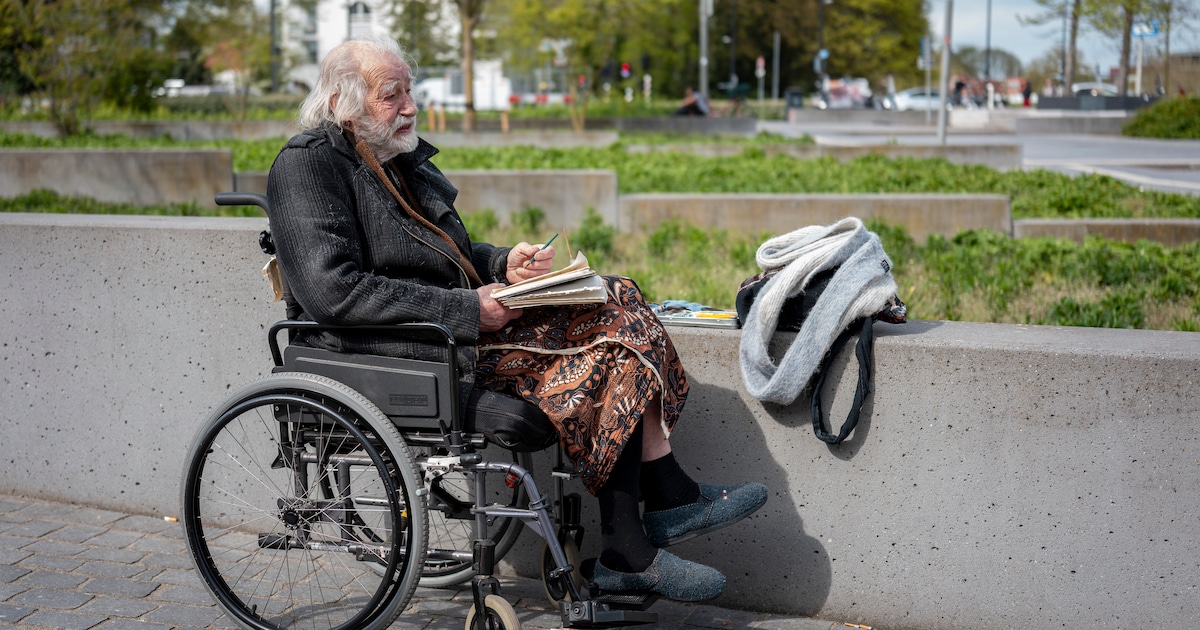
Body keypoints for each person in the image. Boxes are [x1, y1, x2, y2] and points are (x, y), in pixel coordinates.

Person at [266, 35, 767, 603]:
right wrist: (468, 310)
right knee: (611, 344)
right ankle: (639, 533)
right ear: (342, 103)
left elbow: (440, 252)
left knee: (616, 293)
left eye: (410, 91)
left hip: (444, 329)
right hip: (401, 347)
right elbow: (334, 292)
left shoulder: (390, 156)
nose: (410, 106)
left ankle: (656, 510)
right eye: (392, 95)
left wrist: (504, 263)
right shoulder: (306, 166)